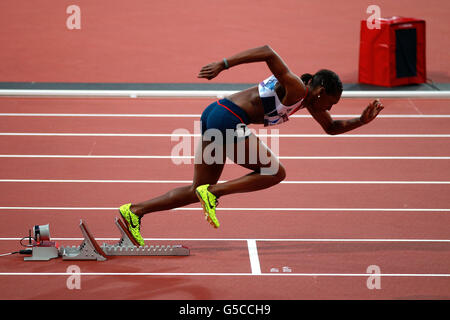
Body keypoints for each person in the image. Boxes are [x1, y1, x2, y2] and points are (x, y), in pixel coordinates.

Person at [119, 45, 384, 246]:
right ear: (320, 90)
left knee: (197, 189)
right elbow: (268, 52)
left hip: (215, 112)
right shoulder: (296, 88)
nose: (330, 108)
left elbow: (332, 128)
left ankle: (134, 211)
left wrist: (361, 120)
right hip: (229, 117)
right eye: (331, 102)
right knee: (275, 172)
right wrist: (223, 64)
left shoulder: (307, 100)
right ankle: (215, 194)